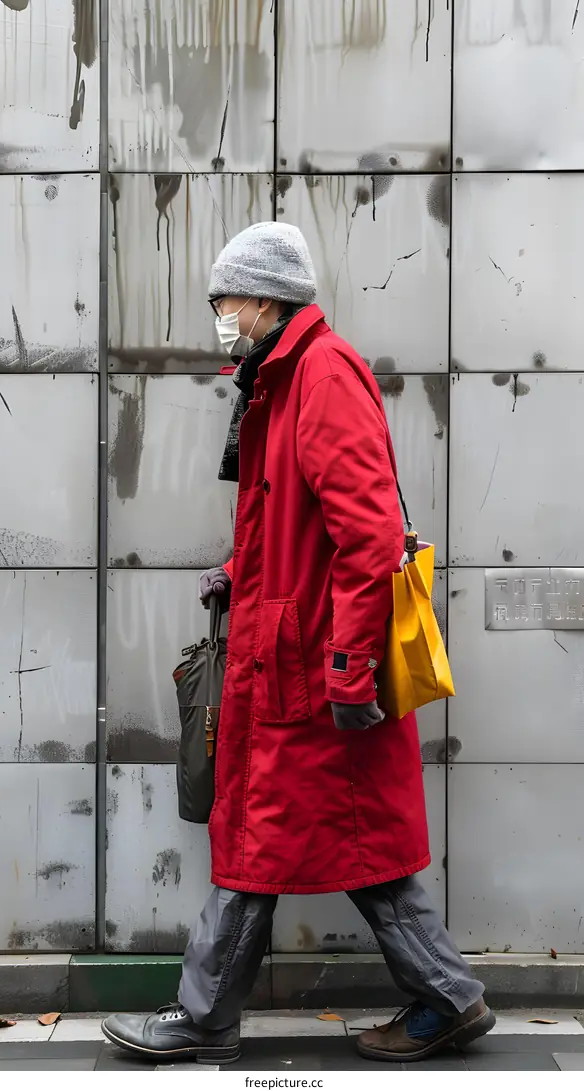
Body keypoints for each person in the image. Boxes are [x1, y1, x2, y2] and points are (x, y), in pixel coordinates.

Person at [102, 222, 494, 1065]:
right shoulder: (281, 379)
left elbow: (368, 534)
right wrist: (241, 569)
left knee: (270, 841)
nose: (219, 312)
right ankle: (447, 997)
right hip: (292, 658)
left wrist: (350, 666)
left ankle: (212, 1014)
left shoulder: (320, 375)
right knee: (314, 841)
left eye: (226, 297)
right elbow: (298, 521)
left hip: (315, 667)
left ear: (268, 295)